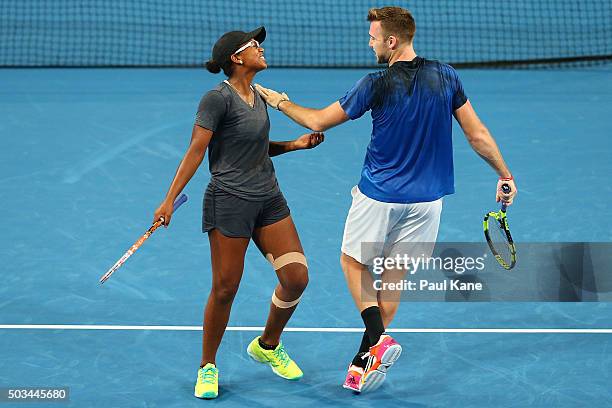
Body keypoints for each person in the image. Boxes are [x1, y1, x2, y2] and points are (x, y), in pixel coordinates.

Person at [255, 6, 517, 393]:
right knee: (393, 278)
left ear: (391, 41)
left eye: (374, 37)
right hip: (428, 201)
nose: (370, 42)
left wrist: (278, 102)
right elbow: (476, 133)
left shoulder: (375, 84)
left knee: (351, 261)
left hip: (379, 196)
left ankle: (378, 338)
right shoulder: (446, 77)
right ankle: (363, 364)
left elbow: (317, 121)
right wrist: (504, 174)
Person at [153, 26, 325, 399]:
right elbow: (196, 152)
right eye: (253, 45)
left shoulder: (259, 95)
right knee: (226, 288)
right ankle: (208, 366)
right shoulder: (216, 99)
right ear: (237, 58)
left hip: (269, 198)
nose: (260, 48)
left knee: (296, 278)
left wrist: (295, 145)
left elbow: (256, 148)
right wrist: (169, 199)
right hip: (229, 202)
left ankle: (266, 346)